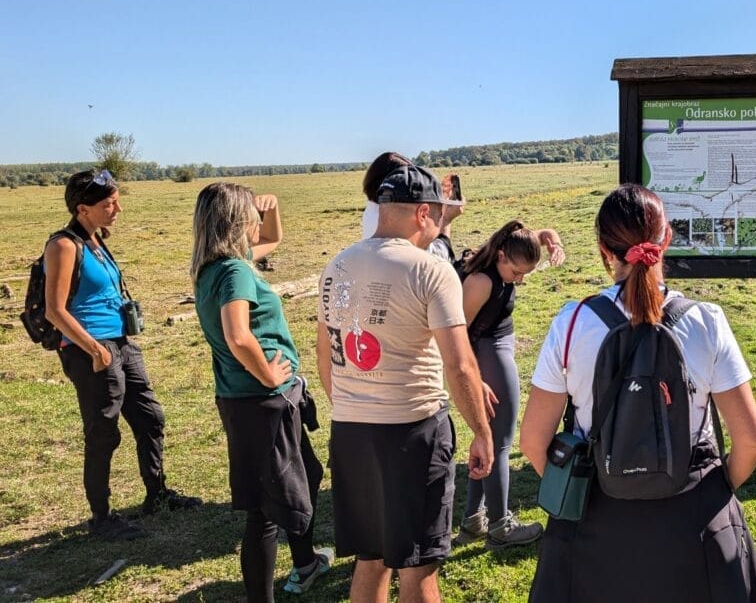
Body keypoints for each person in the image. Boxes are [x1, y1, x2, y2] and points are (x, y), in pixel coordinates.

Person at [520, 183, 756, 603]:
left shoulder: (572, 322)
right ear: (666, 238)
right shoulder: (706, 321)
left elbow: (532, 442)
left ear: (603, 249)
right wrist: (707, 494)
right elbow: (751, 442)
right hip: (693, 523)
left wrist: (588, 494)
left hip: (596, 520)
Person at [318, 164, 495, 603]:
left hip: (351, 429)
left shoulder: (337, 265)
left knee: (371, 558)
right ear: (422, 213)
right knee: (419, 568)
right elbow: (459, 365)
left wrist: (354, 403)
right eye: (438, 214)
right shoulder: (431, 271)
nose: (439, 224)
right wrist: (482, 430)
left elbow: (327, 354)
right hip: (412, 430)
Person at [191, 183, 331, 601]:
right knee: (265, 511)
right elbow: (238, 335)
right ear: (236, 220)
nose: (256, 219)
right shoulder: (235, 272)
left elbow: (273, 239)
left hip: (248, 399)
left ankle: (306, 563)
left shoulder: (215, 266)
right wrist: (270, 375)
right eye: (250, 212)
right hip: (262, 401)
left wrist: (272, 207)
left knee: (307, 475)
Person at [43, 169, 200, 541]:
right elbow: (54, 309)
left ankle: (156, 493)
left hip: (122, 344)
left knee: (150, 417)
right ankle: (101, 517)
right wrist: (95, 349)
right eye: (109, 203)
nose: (118, 208)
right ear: (83, 208)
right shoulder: (64, 245)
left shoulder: (96, 239)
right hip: (92, 351)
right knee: (103, 433)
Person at [453, 220, 566, 549]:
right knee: (499, 442)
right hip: (487, 354)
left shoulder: (513, 247)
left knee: (484, 438)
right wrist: (476, 381)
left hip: (496, 348)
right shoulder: (480, 282)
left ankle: (474, 518)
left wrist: (554, 242)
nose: (520, 280)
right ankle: (501, 526)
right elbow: (457, 335)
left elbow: (543, 234)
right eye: (516, 273)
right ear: (501, 256)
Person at [360, 151, 461, 262]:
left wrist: (433, 196)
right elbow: (435, 260)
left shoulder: (374, 209)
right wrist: (446, 219)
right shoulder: (398, 219)